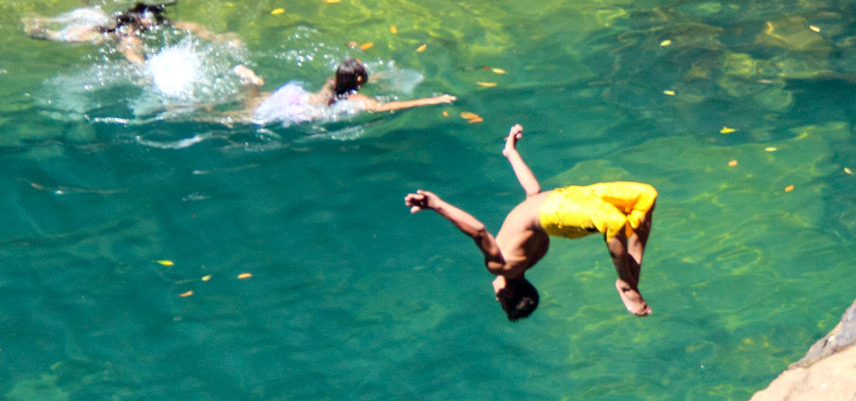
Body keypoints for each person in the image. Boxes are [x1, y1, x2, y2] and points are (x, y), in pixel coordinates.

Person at [406, 125, 657, 319]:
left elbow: (533, 193)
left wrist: (512, 154)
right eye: (502, 302)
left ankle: (632, 272)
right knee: (613, 222)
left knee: (646, 197)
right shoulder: (501, 266)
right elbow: (479, 231)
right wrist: (437, 205)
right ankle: (625, 283)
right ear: (509, 294)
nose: (496, 299)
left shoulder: (529, 255)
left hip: (565, 195)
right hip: (557, 210)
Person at [232, 59, 456, 124]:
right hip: (298, 111)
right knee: (241, 118)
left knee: (251, 104)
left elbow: (352, 79)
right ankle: (252, 83)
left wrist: (384, 76)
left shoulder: (332, 82)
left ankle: (253, 82)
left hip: (293, 96)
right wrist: (434, 99)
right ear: (359, 79)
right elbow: (390, 106)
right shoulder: (359, 99)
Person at [23, 2, 235, 64]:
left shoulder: (145, 19)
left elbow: (189, 26)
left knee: (126, 41)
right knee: (122, 40)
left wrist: (217, 38)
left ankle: (143, 68)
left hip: (122, 27)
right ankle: (48, 32)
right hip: (117, 27)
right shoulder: (127, 21)